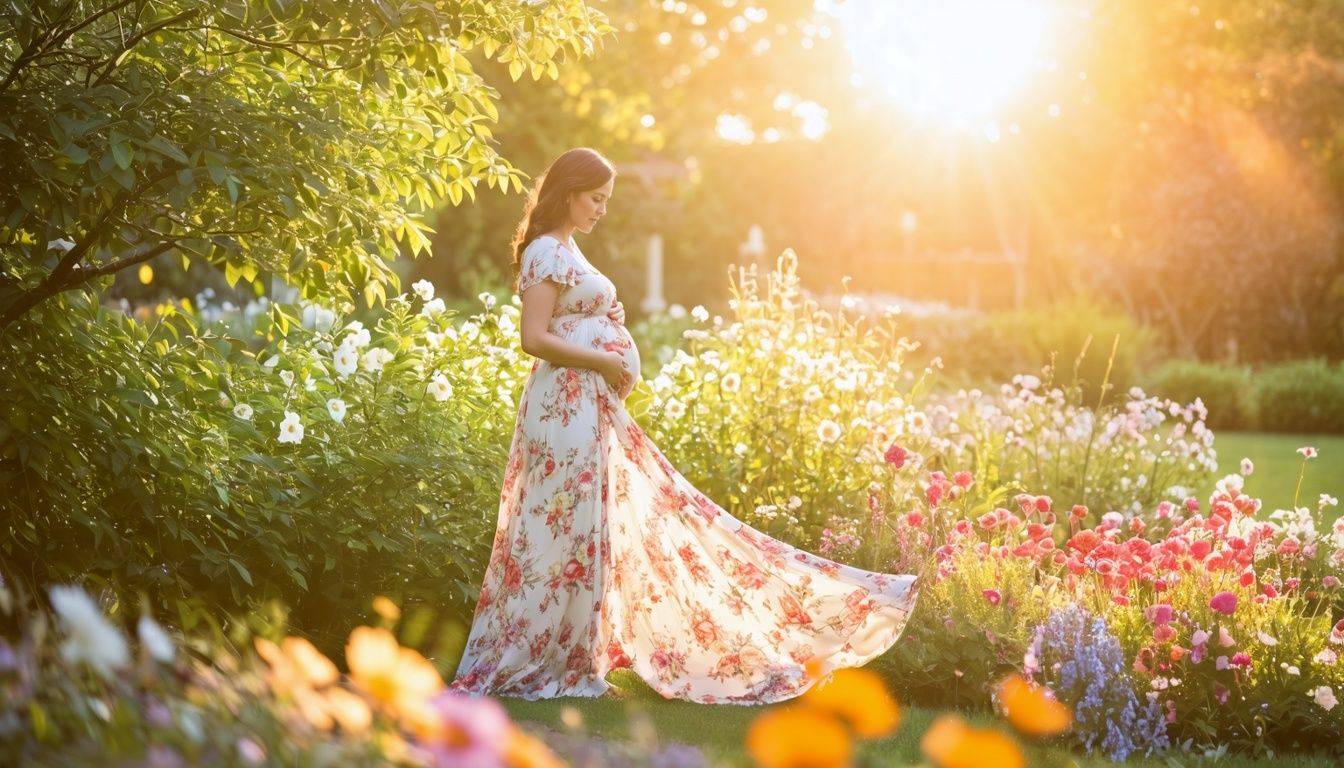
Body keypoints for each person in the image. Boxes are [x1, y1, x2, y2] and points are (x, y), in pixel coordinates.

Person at [449, 147, 918, 704]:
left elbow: (571, 319)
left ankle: (572, 660)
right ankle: (540, 659)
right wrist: (603, 357)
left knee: (587, 531)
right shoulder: (545, 251)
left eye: (606, 200)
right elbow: (534, 337)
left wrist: (606, 326)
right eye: (595, 198)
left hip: (585, 407)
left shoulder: (569, 249)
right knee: (563, 532)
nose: (601, 209)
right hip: (564, 409)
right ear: (569, 191)